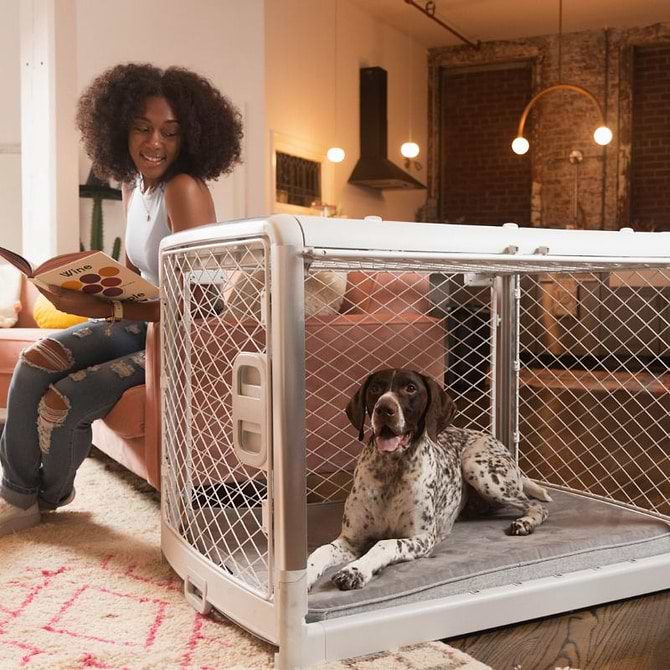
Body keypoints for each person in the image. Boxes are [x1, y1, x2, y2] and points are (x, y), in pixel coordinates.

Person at [0, 63, 243, 536]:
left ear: (190, 137)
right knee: (34, 361)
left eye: (170, 133)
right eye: (143, 129)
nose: (155, 143)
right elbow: (133, 280)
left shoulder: (184, 190)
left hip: (180, 337)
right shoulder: (135, 186)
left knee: (66, 398)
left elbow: (203, 303)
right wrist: (86, 289)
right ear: (119, 131)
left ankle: (45, 498)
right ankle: (14, 493)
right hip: (138, 323)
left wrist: (105, 309)